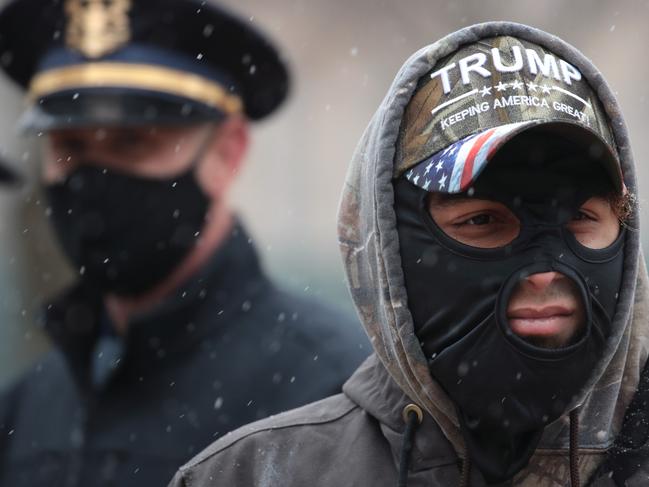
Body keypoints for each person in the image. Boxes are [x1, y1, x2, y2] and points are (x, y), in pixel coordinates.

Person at [168, 21, 649, 487]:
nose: (545, 273)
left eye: (581, 219)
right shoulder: (255, 475)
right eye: (482, 221)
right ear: (392, 247)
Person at [0, 0, 368, 485]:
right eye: (70, 147)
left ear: (226, 152)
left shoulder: (334, 394)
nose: (95, 177)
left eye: (132, 142)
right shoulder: (29, 406)